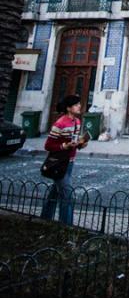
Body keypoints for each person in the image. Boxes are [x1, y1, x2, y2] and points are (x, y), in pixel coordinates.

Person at [41, 94, 88, 225]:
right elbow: (48, 145)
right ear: (69, 108)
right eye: (76, 104)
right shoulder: (60, 124)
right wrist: (65, 146)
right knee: (67, 195)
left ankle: (44, 219)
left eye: (79, 104)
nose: (79, 106)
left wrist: (81, 144)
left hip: (70, 161)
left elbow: (74, 142)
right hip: (58, 163)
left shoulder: (77, 122)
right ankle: (67, 226)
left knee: (55, 192)